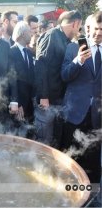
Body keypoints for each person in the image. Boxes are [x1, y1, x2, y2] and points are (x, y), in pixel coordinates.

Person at [60, 11, 102, 184]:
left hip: (97, 116)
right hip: (75, 113)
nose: (99, 33)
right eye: (96, 29)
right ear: (87, 28)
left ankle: (91, 197)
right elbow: (64, 75)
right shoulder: (73, 48)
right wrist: (78, 61)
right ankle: (71, 195)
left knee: (93, 159)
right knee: (72, 158)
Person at [34, 10, 82, 146]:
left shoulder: (67, 40)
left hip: (59, 101)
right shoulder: (51, 35)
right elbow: (40, 66)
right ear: (75, 24)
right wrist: (43, 96)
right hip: (47, 101)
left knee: (55, 141)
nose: (79, 30)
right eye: (79, 26)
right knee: (44, 142)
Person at [9, 21, 35, 123]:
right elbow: (11, 80)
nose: (32, 34)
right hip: (18, 106)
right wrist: (17, 103)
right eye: (29, 31)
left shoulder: (28, 52)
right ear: (22, 34)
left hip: (29, 105)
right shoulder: (11, 52)